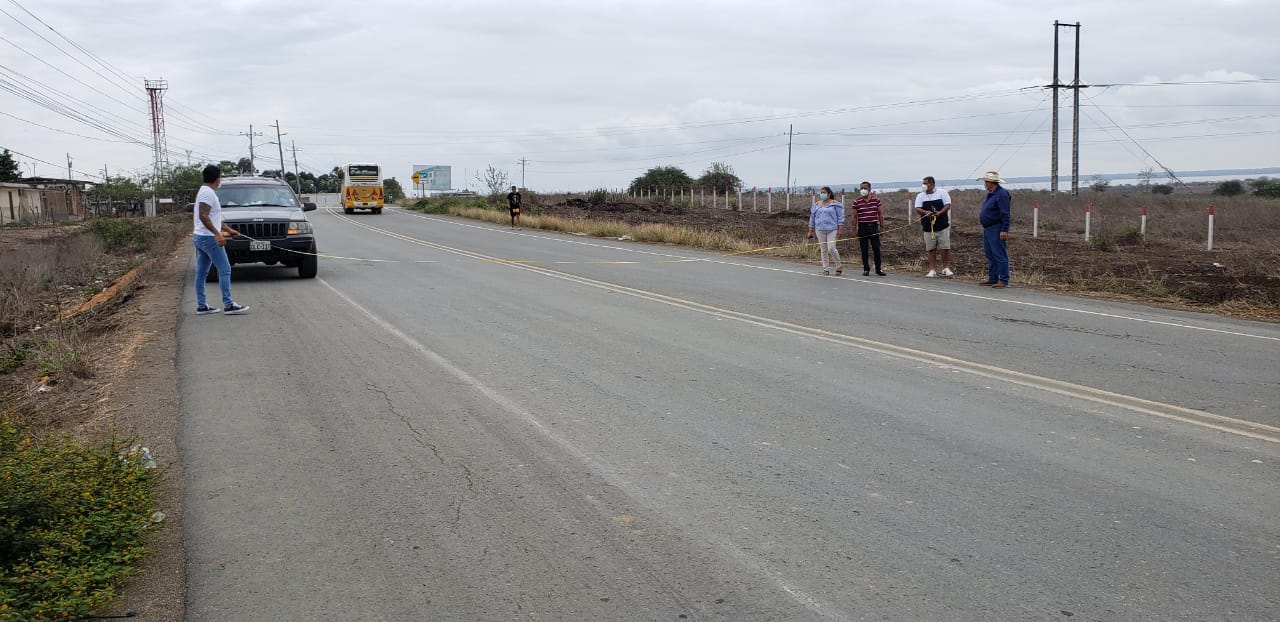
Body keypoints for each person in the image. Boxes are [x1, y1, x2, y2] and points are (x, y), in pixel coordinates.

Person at [192, 165, 248, 315]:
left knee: (202, 273)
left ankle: (202, 306)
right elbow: (203, 216)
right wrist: (217, 234)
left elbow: (212, 217)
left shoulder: (204, 191)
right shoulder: (208, 193)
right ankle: (229, 304)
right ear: (217, 179)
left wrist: (229, 230)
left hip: (200, 236)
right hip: (208, 238)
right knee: (225, 269)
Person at [977, 170, 1012, 288]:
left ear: (991, 182)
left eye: (986, 182)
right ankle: (993, 278)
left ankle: (1003, 279)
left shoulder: (1002, 194)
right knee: (990, 254)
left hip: (996, 228)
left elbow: (1005, 214)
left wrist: (1004, 230)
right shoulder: (990, 194)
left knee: (999, 254)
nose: (985, 184)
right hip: (987, 228)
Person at [914, 176, 953, 278]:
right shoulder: (920, 196)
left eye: (925, 183)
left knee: (944, 248)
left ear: (931, 184)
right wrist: (925, 212)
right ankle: (932, 270)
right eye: (923, 183)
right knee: (931, 249)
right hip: (928, 227)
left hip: (942, 225)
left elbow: (947, 205)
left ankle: (945, 268)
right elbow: (917, 208)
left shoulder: (942, 193)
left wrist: (940, 212)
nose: (923, 185)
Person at [806, 186, 844, 275]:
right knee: (823, 249)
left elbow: (840, 217)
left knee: (831, 248)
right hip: (820, 229)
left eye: (824, 193)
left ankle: (839, 265)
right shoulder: (816, 205)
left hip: (832, 229)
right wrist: (810, 230)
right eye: (821, 192)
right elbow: (812, 218)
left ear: (829, 194)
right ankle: (825, 268)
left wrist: (840, 229)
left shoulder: (835, 204)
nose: (822, 194)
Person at [850, 181, 885, 276]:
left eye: (865, 188)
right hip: (862, 227)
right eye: (861, 188)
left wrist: (882, 227)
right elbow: (854, 216)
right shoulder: (857, 201)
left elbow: (880, 214)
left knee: (876, 248)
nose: (863, 190)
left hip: (873, 226)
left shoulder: (876, 200)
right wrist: (854, 229)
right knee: (864, 249)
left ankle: (878, 269)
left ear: (869, 189)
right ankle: (866, 269)